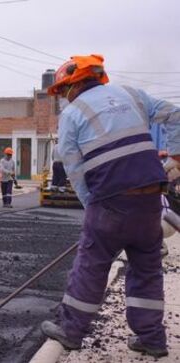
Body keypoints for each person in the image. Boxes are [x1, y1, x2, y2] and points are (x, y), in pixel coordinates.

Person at [40, 54, 180, 358]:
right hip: (150, 199)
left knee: (92, 264)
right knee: (146, 268)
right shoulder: (131, 94)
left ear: (74, 85)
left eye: (64, 91)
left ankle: (72, 330)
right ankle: (153, 339)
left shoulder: (73, 115)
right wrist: (177, 158)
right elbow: (176, 114)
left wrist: (92, 206)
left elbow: (75, 170)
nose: (65, 98)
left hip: (110, 201)